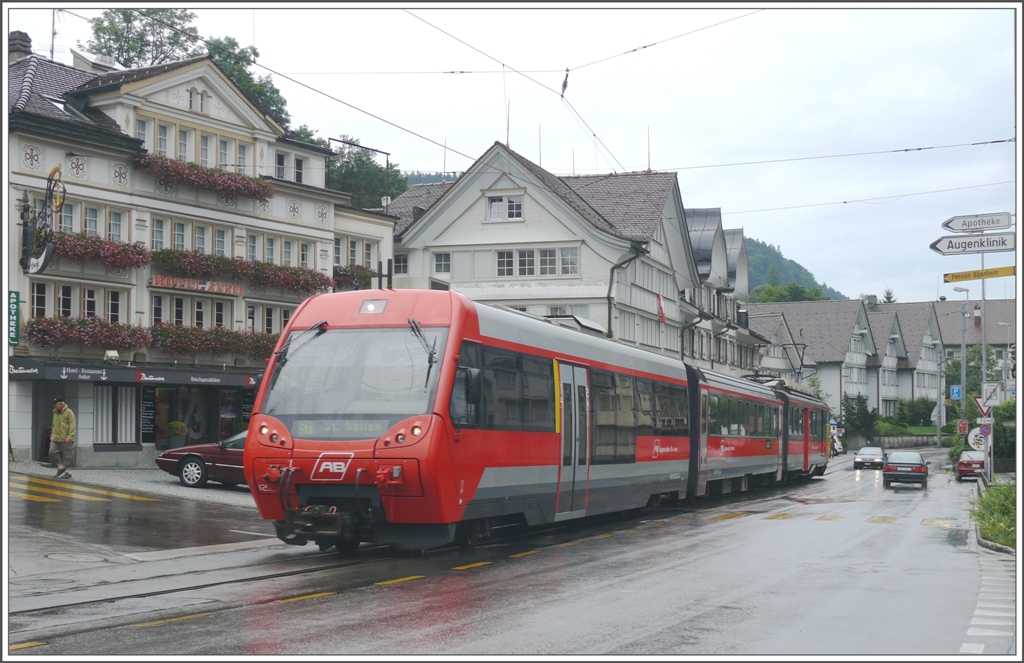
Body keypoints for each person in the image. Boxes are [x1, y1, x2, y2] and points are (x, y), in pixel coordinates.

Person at [50, 396, 76, 480]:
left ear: (61, 404)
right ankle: (60, 467)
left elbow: (72, 425)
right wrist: (52, 434)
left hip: (66, 439)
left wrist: (70, 436)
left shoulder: (69, 412)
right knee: (52, 452)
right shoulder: (55, 412)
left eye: (56, 404)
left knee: (68, 456)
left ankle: (68, 472)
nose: (54, 406)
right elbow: (54, 425)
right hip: (55, 438)